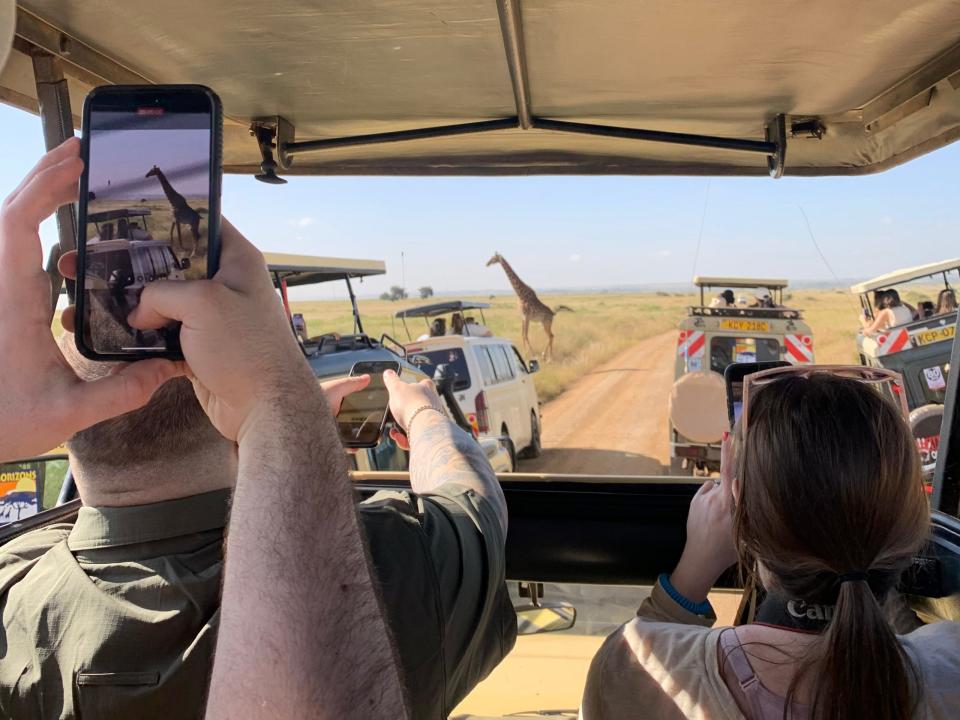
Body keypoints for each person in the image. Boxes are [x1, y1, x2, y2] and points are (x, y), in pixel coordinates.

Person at [0, 141, 516, 719]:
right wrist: (412, 413)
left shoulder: (14, 585)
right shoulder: (395, 563)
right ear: (225, 416)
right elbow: (476, 502)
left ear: (66, 426)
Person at [581, 368, 960, 719]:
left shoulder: (634, 666)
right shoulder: (949, 667)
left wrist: (691, 574)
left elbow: (639, 669)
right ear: (907, 522)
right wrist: (861, 544)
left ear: (739, 511)